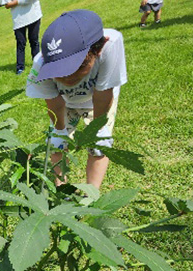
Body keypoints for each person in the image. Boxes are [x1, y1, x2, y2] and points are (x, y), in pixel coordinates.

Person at [26, 10, 127, 189]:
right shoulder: (40, 65)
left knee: (99, 144)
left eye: (77, 67)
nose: (66, 78)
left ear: (98, 49)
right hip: (65, 102)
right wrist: (60, 131)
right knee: (56, 144)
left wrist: (98, 127)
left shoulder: (111, 45)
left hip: (96, 97)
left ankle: (90, 196)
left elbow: (103, 93)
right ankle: (61, 191)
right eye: (58, 71)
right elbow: (54, 102)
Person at [2, 0, 42, 75]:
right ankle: (20, 67)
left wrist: (16, 2)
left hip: (33, 16)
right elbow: (7, 5)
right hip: (19, 20)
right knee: (20, 43)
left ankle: (38, 64)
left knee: (34, 41)